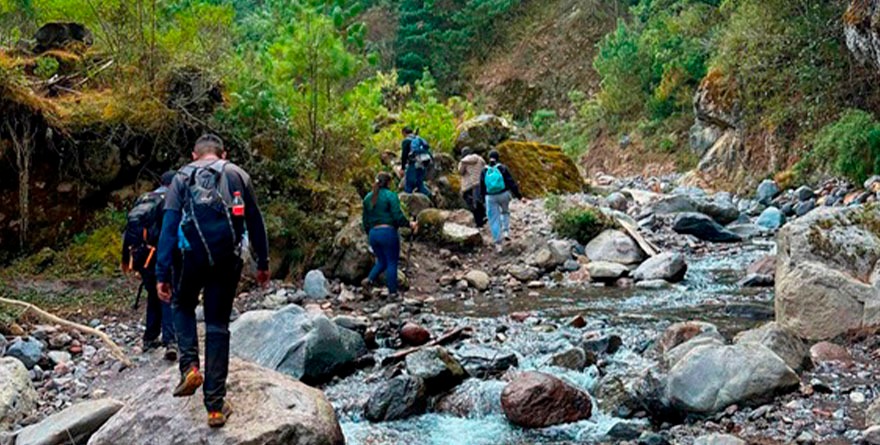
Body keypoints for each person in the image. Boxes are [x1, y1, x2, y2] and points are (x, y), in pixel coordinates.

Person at [155, 134, 270, 428]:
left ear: (195, 155)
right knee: (218, 325)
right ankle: (215, 407)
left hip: (189, 257)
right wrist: (263, 263)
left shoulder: (181, 177)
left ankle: (190, 367)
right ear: (224, 153)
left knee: (182, 305)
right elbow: (255, 223)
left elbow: (169, 227)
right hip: (226, 259)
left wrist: (162, 272)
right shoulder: (238, 175)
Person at [122, 170, 178, 361]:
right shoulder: (171, 199)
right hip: (160, 254)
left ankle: (150, 338)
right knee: (167, 293)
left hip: (141, 255)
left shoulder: (145, 198)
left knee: (154, 294)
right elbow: (171, 230)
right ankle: (171, 342)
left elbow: (130, 230)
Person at [362, 172, 417, 298]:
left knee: (382, 261)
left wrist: (369, 234)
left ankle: (369, 280)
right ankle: (392, 293)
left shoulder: (367, 198)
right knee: (392, 262)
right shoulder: (390, 196)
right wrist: (409, 224)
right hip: (388, 233)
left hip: (373, 234)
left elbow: (365, 221)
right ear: (388, 183)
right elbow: (397, 216)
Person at [480, 150, 522, 252]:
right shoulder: (502, 168)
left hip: (490, 197)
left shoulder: (484, 170)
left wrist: (483, 199)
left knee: (494, 219)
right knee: (505, 211)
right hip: (504, 194)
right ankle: (506, 232)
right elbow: (510, 182)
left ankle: (498, 244)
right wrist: (518, 196)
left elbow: (482, 186)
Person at [457, 147, 487, 228]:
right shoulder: (480, 159)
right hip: (481, 183)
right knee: (478, 200)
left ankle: (479, 222)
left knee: (473, 204)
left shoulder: (464, 162)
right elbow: (484, 167)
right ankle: (483, 216)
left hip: (469, 185)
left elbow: (460, 171)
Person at [400, 127, 432, 197]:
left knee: (409, 184)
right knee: (419, 184)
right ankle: (431, 197)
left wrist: (402, 168)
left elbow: (404, 155)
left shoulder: (406, 141)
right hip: (423, 163)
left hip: (413, 165)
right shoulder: (419, 139)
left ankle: (407, 203)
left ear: (404, 133)